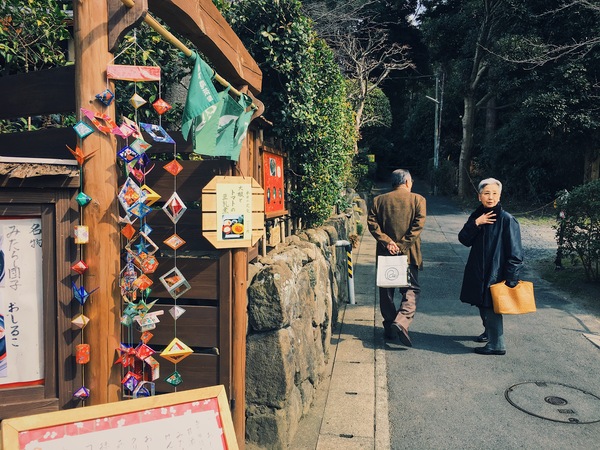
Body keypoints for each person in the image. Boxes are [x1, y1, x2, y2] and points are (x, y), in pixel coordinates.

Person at [458, 178, 523, 355]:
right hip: (478, 270)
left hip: (497, 273)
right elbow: (464, 239)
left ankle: (497, 344)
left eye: (494, 193)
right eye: (486, 193)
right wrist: (476, 223)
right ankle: (489, 333)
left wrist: (511, 278)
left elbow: (516, 253)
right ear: (479, 196)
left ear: (500, 196)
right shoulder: (477, 215)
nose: (490, 197)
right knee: (482, 303)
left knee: (492, 307)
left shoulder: (507, 220)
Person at [368, 169, 426, 347]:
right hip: (409, 254)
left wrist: (388, 242)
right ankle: (401, 322)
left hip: (386, 253)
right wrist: (401, 245)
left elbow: (372, 223)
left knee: (386, 292)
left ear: (393, 183)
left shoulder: (379, 200)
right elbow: (418, 226)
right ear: (407, 182)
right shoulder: (418, 200)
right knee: (411, 290)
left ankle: (389, 327)